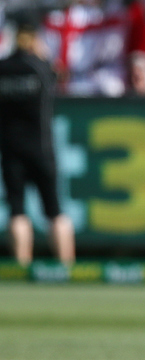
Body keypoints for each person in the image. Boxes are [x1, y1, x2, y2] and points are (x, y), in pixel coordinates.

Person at [0, 17, 74, 266]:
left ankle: (23, 268)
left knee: (17, 211)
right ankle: (67, 269)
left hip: (11, 150)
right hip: (41, 149)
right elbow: (61, 75)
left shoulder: (3, 69)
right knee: (55, 211)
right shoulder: (41, 68)